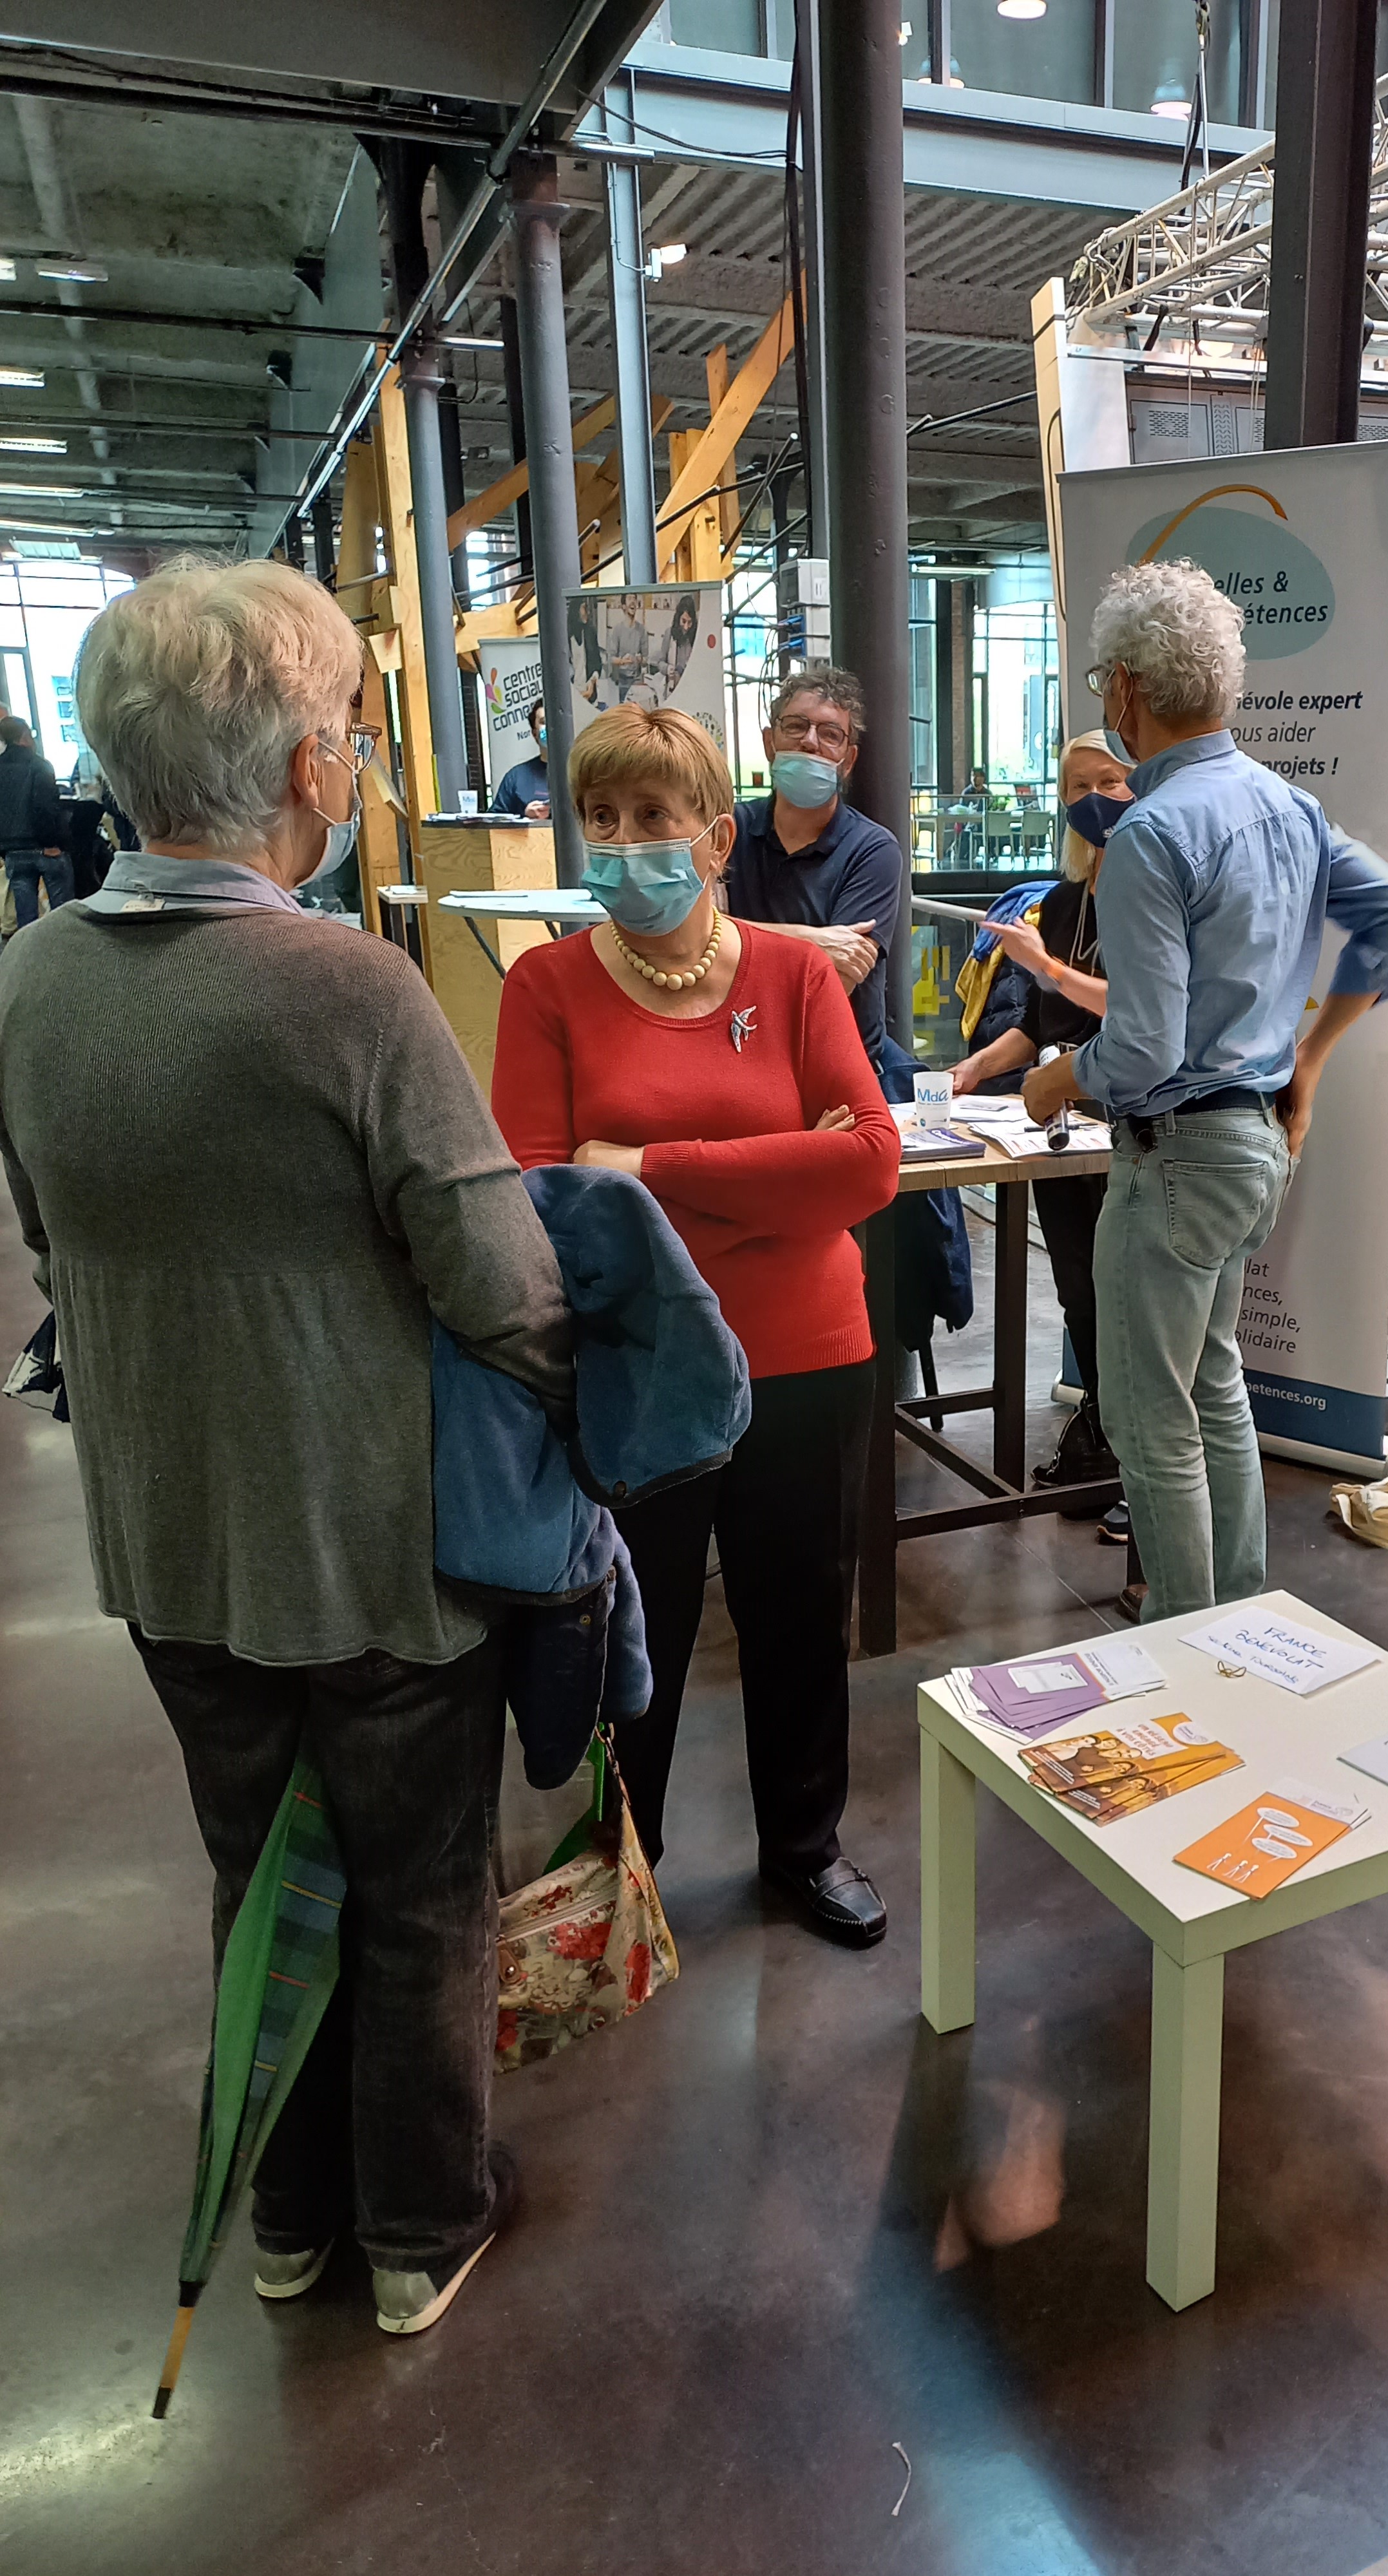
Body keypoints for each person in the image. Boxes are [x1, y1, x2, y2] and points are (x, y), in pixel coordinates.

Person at [0, 557, 573, 2334]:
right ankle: (420, 2227)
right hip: (368, 1534)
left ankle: (288, 2215)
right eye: (356, 730)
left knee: (261, 1875)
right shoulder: (350, 991)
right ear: (313, 762)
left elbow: (50, 1242)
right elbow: (504, 1288)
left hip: (171, 1534)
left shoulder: (29, 977)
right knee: (420, 1891)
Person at [491, 704, 902, 1948]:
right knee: (637, 1632)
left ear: (717, 838)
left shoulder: (794, 975)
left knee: (800, 1615)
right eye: (601, 818)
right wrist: (777, 1172)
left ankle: (805, 1847)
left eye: (653, 817)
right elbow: (544, 1199)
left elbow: (870, 1163)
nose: (625, 843)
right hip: (642, 1367)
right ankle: (626, 1861)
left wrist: (644, 1167)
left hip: (807, 1357)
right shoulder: (548, 986)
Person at [1023, 559, 1388, 1624]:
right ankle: (1238, 1626)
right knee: (1214, 1391)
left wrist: (1060, 1077)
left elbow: (1143, 1050)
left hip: (1175, 1157)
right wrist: (1312, 1059)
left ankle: (1185, 1643)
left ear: (1125, 688)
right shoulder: (1287, 806)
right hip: (1253, 1147)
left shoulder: (1153, 833)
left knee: (1151, 1420)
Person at [953, 729, 1131, 1514]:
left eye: (1111, 781)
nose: (1094, 799)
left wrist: (1050, 972)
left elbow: (1143, 1015)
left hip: (1127, 1124)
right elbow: (1036, 1022)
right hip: (1057, 1122)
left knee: (1130, 1298)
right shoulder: (1061, 903)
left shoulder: (1154, 898)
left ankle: (1138, 1465)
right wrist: (974, 1069)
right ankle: (1103, 1434)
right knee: (1079, 1290)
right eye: (1077, 787)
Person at [727, 663, 904, 1066]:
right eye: (795, 726)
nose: (810, 742)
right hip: (739, 1058)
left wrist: (726, 935)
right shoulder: (730, 830)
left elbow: (833, 983)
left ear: (848, 760)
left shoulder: (873, 850)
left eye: (830, 734)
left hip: (837, 1066)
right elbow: (688, 943)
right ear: (770, 743)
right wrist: (814, 941)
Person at [0, 715, 68, 926]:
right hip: (44, 848)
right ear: (24, 736)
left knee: (26, 917)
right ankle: (64, 943)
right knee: (62, 912)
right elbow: (45, 807)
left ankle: (29, 945)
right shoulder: (40, 766)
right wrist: (51, 842)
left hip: (13, 851)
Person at [490, 697, 551, 819]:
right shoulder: (516, 777)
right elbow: (495, 821)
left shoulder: (581, 772)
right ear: (535, 734)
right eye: (544, 722)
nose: (551, 727)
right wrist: (524, 816)